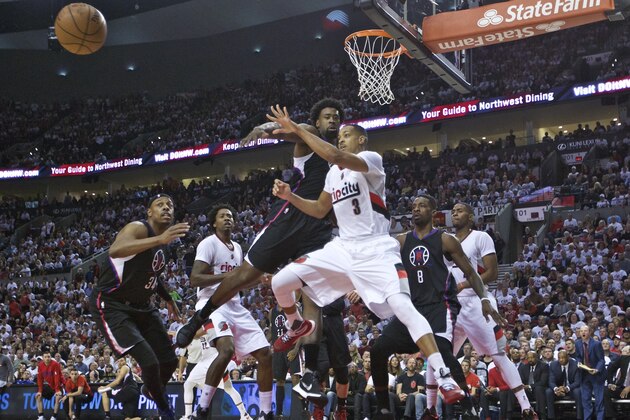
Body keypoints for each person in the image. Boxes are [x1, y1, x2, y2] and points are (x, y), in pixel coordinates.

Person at [264, 107, 467, 414]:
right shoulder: (333, 174)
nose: (341, 138)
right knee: (281, 282)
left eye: (347, 135)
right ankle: (297, 326)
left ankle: (444, 375)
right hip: (343, 248)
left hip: (375, 249)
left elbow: (334, 155)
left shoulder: (372, 161)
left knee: (402, 306)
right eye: (340, 135)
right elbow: (320, 210)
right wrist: (290, 197)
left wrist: (296, 129)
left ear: (361, 140)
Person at [177, 98, 345, 404]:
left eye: (336, 117)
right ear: (317, 122)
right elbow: (284, 131)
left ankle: (308, 374)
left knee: (313, 298)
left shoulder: (339, 156)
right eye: (327, 116)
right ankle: (199, 317)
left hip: (318, 229)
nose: (332, 120)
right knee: (245, 276)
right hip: (290, 218)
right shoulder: (308, 134)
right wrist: (261, 129)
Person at [370, 195, 503, 420]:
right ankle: (383, 410)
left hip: (439, 306)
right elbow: (381, 268)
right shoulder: (401, 241)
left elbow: (471, 273)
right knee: (377, 350)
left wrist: (484, 299)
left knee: (442, 352)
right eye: (413, 207)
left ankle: (469, 407)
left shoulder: (445, 240)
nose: (416, 210)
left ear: (434, 212)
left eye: (422, 206)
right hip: (411, 309)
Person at [88, 194, 188, 420]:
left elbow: (152, 274)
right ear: (149, 212)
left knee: (169, 361)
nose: (166, 208)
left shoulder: (164, 244)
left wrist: (168, 298)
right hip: (112, 304)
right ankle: (165, 411)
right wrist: (159, 240)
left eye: (170, 205)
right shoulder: (138, 228)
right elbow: (115, 250)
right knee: (149, 361)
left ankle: (150, 389)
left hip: (142, 306)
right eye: (160, 205)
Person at [449, 202, 538, 419]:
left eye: (460, 211)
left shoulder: (480, 237)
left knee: (499, 355)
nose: (454, 213)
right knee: (441, 355)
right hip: (452, 305)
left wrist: (463, 284)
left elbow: (491, 273)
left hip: (477, 301)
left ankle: (526, 407)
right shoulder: (446, 242)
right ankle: (439, 407)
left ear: (471, 217)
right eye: (452, 211)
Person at [187, 204, 272, 420]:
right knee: (225, 350)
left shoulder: (237, 247)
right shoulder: (208, 243)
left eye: (230, 216)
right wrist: (228, 277)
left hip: (234, 304)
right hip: (211, 304)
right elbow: (195, 278)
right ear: (214, 222)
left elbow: (239, 282)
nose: (227, 218)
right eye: (222, 216)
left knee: (265, 354)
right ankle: (202, 409)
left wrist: (259, 281)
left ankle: (265, 413)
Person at [183, 323, 251, 420]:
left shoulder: (210, 324)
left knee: (188, 385)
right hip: (211, 360)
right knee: (228, 388)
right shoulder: (208, 323)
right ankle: (244, 415)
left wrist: (186, 333)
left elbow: (195, 335)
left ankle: (188, 416)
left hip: (212, 360)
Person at [269, 302, 302, 419]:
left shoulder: (293, 307)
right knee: (279, 381)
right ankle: (279, 413)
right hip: (278, 348)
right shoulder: (272, 311)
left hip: (291, 347)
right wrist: (266, 345)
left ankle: (299, 411)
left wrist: (296, 349)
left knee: (295, 378)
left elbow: (301, 329)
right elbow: (271, 330)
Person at [575, 325, 605, 420]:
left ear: (590, 332)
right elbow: (578, 356)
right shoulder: (577, 343)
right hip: (584, 374)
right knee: (585, 401)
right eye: (581, 331)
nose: (583, 333)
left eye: (585, 331)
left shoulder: (596, 344)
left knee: (599, 401)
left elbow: (601, 360)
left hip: (596, 374)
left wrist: (597, 369)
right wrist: (578, 362)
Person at [545, 349, 582, 420]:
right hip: (558, 389)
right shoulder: (553, 365)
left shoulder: (575, 365)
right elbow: (551, 381)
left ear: (568, 357)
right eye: (559, 358)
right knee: (548, 392)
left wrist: (566, 388)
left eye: (563, 358)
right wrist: (556, 389)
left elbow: (577, 382)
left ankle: (579, 417)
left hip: (571, 388)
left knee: (578, 391)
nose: (561, 360)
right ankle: (551, 417)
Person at [395, 356, 426, 420]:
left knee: (410, 396)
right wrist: (400, 395)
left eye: (413, 363)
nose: (411, 364)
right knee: (390, 395)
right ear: (406, 364)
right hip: (402, 398)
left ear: (416, 365)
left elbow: (420, 391)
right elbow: (398, 390)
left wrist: (408, 395)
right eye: (410, 363)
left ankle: (406, 417)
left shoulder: (420, 377)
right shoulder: (401, 377)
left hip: (413, 398)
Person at [36, 352, 63, 420]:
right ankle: (41, 416)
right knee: (38, 396)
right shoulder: (40, 365)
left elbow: (57, 378)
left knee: (58, 397)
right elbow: (40, 379)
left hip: (59, 385)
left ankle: (54, 416)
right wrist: (40, 391)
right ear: (43, 358)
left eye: (49, 357)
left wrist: (57, 390)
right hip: (50, 385)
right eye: (45, 357)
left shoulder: (55, 364)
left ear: (50, 357)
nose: (47, 358)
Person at [604, 345, 630, 418]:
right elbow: (610, 369)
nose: (621, 353)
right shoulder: (623, 358)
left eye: (623, 352)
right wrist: (611, 383)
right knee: (605, 391)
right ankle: (612, 416)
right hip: (622, 388)